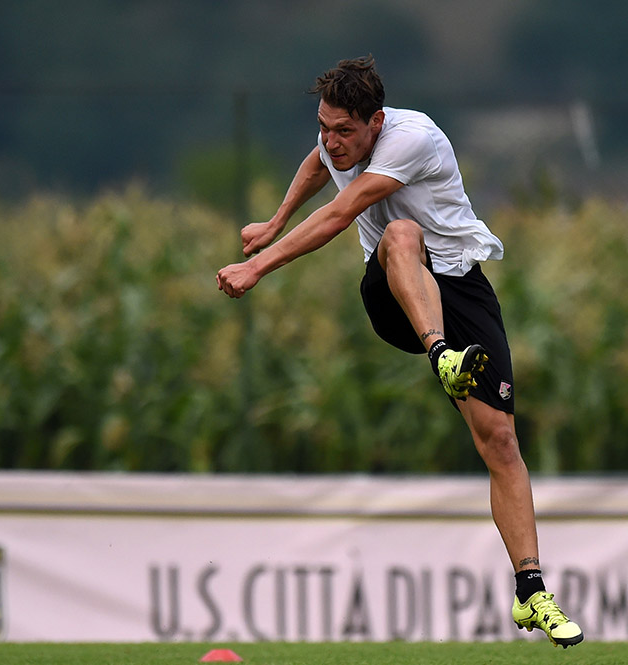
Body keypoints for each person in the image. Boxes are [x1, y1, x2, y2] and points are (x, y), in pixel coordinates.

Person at [216, 55, 583, 648]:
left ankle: (531, 591)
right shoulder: (336, 140)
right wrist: (274, 222)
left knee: (500, 440)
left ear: (377, 123)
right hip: (392, 289)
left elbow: (339, 214)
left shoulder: (413, 139)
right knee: (400, 233)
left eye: (344, 131)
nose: (331, 141)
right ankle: (441, 355)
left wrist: (257, 265)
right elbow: (316, 166)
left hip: (459, 285)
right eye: (324, 127)